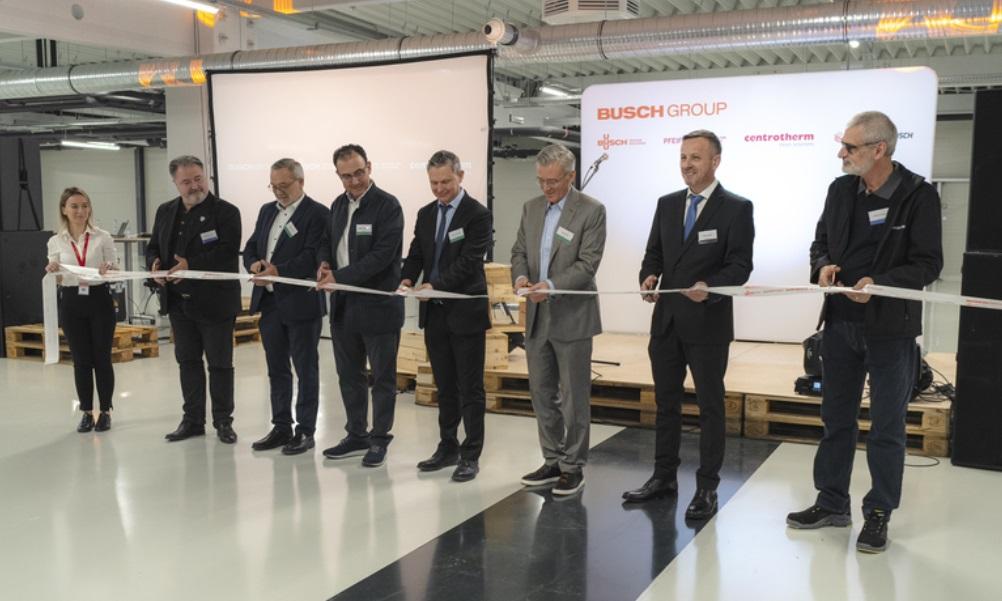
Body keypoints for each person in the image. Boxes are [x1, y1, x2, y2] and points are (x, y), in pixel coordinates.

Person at [787, 111, 943, 553]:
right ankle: (831, 502)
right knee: (836, 419)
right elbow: (819, 242)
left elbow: (929, 263)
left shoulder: (918, 196)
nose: (842, 153)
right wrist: (823, 266)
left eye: (850, 147)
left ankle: (878, 513)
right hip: (840, 325)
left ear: (879, 149)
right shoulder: (840, 190)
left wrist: (880, 285)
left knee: (887, 427)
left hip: (891, 330)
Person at [625, 130, 755, 522]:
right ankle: (663, 477)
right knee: (666, 404)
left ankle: (707, 487)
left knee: (710, 407)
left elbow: (740, 266)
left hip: (708, 324)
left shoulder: (736, 208)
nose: (687, 165)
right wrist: (648, 277)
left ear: (716, 161)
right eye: (683, 157)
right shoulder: (667, 204)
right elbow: (654, 254)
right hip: (666, 322)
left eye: (695, 157)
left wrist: (709, 287)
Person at [510, 143, 606, 496]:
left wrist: (549, 286)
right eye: (541, 181)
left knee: (574, 397)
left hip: (572, 316)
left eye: (552, 181)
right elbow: (519, 251)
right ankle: (552, 460)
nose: (546, 188)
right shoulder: (531, 208)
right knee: (541, 393)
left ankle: (572, 466)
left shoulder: (592, 211)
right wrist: (521, 278)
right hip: (537, 316)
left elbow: (587, 264)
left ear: (571, 176)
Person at [400, 150, 492, 482]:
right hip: (435, 315)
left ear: (460, 176)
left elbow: (470, 261)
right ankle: (447, 446)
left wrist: (435, 285)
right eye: (434, 183)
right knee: (445, 385)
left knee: (471, 387)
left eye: (446, 182)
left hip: (465, 313)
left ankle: (471, 454)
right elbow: (417, 252)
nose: (439, 189)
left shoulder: (477, 214)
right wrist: (407, 278)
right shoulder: (426, 213)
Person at [317, 144, 404, 468]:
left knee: (382, 379)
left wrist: (339, 277)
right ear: (338, 175)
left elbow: (381, 257)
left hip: (378, 307)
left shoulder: (388, 206)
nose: (354, 181)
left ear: (369, 167)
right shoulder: (338, 205)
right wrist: (324, 264)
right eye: (346, 176)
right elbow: (327, 241)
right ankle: (356, 435)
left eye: (359, 173)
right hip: (343, 307)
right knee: (349, 376)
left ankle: (379, 439)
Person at [146, 155, 242, 444]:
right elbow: (153, 247)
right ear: (175, 183)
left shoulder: (226, 212)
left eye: (198, 178)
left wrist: (191, 266)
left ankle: (223, 421)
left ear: (206, 176)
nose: (194, 186)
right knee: (187, 362)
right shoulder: (165, 211)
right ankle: (192, 421)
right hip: (179, 303)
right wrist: (154, 267)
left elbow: (227, 253)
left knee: (220, 364)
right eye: (186, 181)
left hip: (215, 303)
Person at [243, 158, 329, 455]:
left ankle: (305, 430)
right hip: (270, 302)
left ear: (300, 182)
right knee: (277, 368)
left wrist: (278, 271)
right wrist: (253, 263)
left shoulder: (317, 214)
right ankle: (281, 426)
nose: (278, 191)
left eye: (284, 185)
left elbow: (312, 256)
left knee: (306, 369)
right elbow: (252, 245)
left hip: (301, 303)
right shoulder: (267, 211)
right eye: (273, 186)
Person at [45, 187, 119, 433]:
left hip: (99, 300)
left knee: (102, 358)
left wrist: (110, 267)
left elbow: (116, 267)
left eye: (85, 206)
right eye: (74, 206)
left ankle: (105, 411)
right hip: (72, 301)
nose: (80, 211)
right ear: (64, 210)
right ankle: (87, 412)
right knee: (81, 360)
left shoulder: (102, 237)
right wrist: (53, 269)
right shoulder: (55, 241)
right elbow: (56, 276)